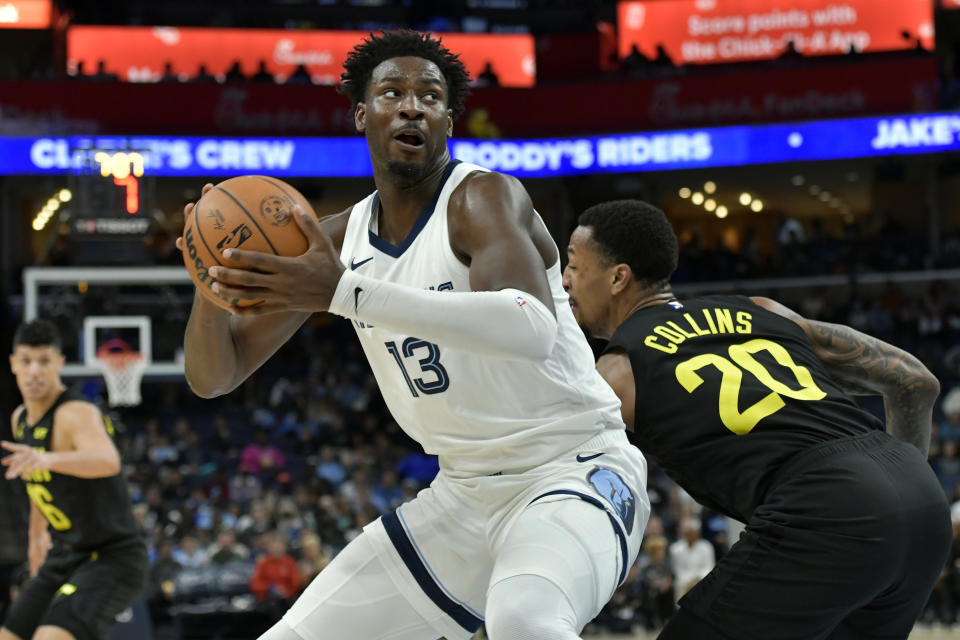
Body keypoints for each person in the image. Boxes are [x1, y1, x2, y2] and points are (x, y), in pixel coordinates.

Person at [177, 30, 648, 640]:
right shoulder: (336, 243)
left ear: (448, 120)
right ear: (360, 114)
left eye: (430, 95)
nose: (411, 105)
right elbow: (215, 376)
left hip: (572, 469)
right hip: (461, 494)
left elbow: (529, 326)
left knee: (526, 621)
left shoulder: (481, 198)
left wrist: (344, 293)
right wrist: (209, 278)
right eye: (392, 92)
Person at [562, 199, 952, 640]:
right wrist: (897, 500)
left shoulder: (617, 374)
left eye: (574, 266)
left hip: (824, 507)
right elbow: (916, 382)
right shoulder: (762, 309)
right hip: (922, 503)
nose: (564, 280)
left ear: (617, 278)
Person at [1, 319, 148, 640]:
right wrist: (35, 536)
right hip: (65, 553)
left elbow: (107, 460)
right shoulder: (20, 419)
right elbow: (38, 482)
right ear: (13, 364)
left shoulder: (75, 413)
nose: (34, 371)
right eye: (26, 361)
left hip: (113, 556)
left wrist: (47, 458)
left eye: (44, 361)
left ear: (60, 364)